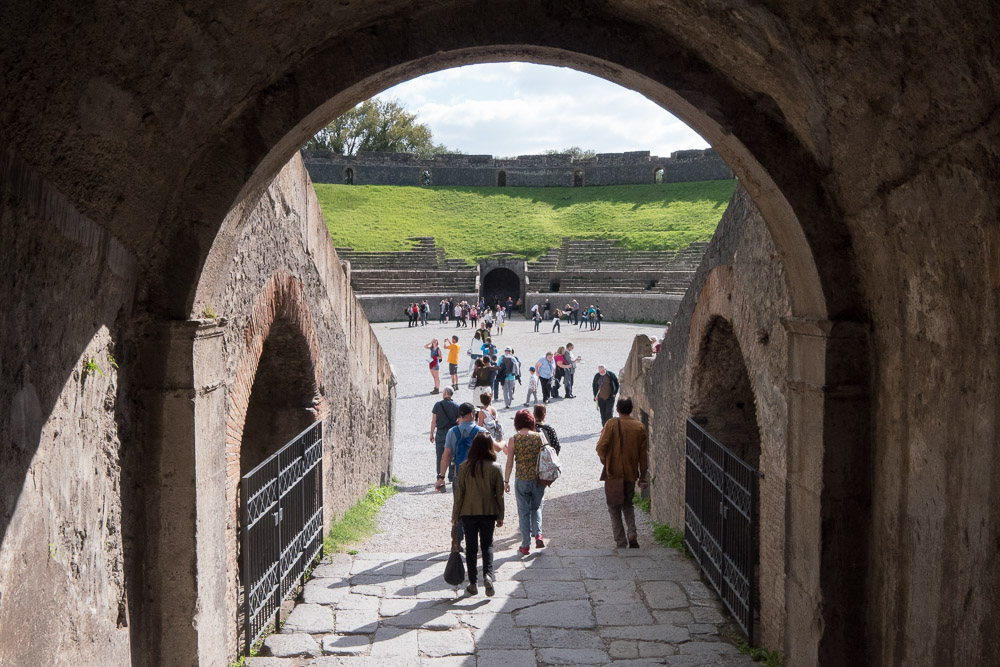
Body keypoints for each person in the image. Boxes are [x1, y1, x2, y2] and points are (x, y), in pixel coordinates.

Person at [452, 433, 504, 596]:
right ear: (490, 448)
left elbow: (459, 494)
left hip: (468, 513)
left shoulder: (464, 467)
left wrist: (455, 515)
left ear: (473, 448)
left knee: (471, 547)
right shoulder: (496, 468)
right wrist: (500, 515)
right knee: (487, 545)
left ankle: (473, 583)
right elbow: (499, 495)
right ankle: (488, 575)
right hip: (488, 512)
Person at [595, 397, 649, 548]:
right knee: (628, 504)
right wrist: (642, 475)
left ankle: (620, 541)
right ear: (631, 409)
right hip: (630, 473)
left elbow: (600, 447)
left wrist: (606, 461)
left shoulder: (611, 424)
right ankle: (632, 533)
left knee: (614, 507)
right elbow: (643, 455)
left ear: (617, 409)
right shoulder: (639, 427)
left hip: (613, 473)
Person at [503, 410, 546, 555]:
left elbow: (509, 464)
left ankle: (525, 545)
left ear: (517, 423)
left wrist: (506, 480)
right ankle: (538, 535)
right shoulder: (540, 437)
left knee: (523, 512)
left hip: (521, 478)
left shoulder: (514, 439)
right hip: (538, 479)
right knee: (536, 507)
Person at [429, 387, 460, 481]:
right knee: (451, 454)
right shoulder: (457, 406)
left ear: (446, 393)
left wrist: (431, 433)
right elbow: (459, 421)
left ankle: (439, 474)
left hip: (441, 432)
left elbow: (434, 421)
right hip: (452, 433)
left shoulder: (438, 405)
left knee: (440, 454)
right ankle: (451, 476)